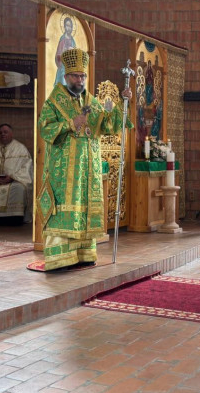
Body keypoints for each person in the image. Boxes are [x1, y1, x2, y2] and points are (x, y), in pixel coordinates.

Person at [37, 47, 132, 270]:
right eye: (75, 76)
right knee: (65, 210)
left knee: (85, 208)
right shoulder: (54, 102)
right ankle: (60, 258)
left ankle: (84, 254)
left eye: (83, 76)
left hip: (88, 169)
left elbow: (108, 125)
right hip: (63, 171)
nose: (80, 80)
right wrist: (71, 123)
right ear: (66, 76)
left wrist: (122, 103)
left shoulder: (91, 101)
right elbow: (44, 129)